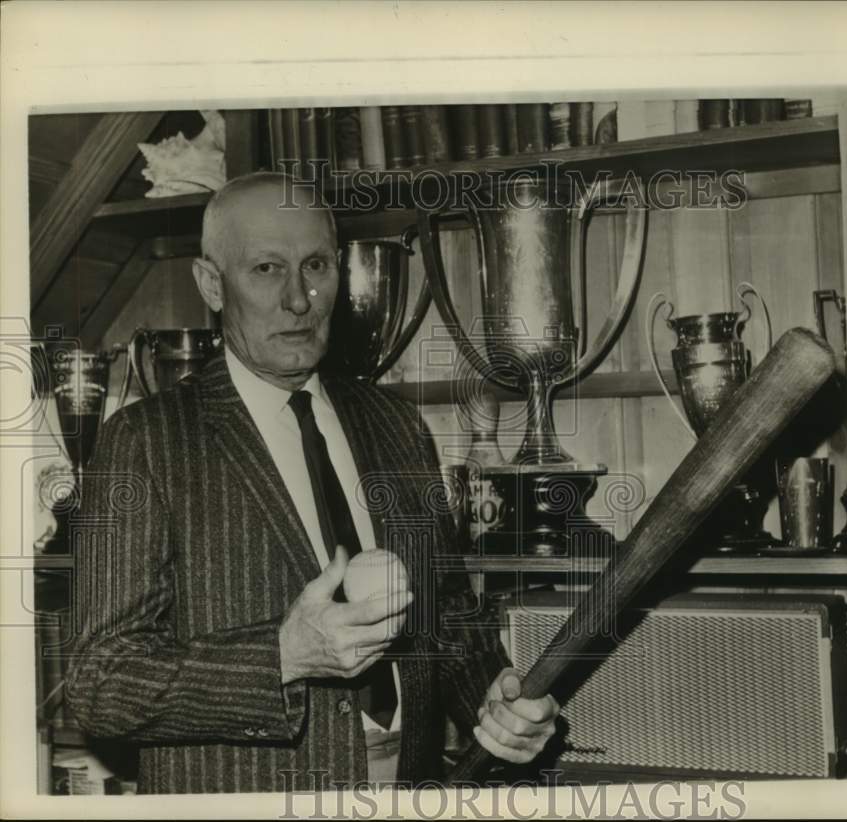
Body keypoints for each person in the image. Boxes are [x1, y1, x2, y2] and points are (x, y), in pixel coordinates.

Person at [65, 172, 559, 794]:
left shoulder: (396, 426)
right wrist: (282, 657)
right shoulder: (146, 441)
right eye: (267, 269)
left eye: (316, 265)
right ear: (211, 285)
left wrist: (499, 699)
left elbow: (449, 617)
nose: (299, 299)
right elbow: (101, 682)